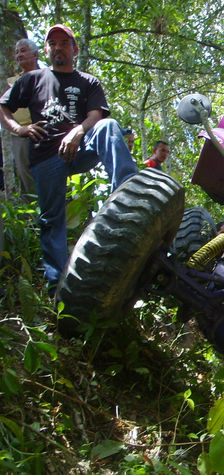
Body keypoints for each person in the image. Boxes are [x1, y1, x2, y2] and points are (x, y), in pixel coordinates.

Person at [0, 24, 138, 295]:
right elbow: (3, 106)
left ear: (74, 49)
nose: (58, 47)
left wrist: (77, 131)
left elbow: (97, 114)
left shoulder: (87, 81)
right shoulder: (32, 79)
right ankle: (58, 289)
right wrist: (19, 129)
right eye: (53, 43)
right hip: (45, 156)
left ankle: (128, 196)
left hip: (80, 147)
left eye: (64, 43)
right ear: (48, 49)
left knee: (109, 127)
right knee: (51, 220)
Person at [6, 38, 40, 195]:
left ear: (36, 54)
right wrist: (19, 128)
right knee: (26, 178)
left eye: (23, 50)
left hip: (45, 132)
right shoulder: (13, 82)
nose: (19, 55)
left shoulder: (48, 76)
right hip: (20, 135)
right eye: (17, 52)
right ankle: (34, 214)